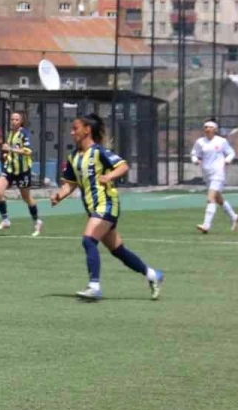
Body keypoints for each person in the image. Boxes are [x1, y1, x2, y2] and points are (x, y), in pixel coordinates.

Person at [50, 113, 164, 301]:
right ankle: (153, 275)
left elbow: (123, 166)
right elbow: (70, 183)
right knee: (118, 250)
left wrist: (109, 176)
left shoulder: (98, 152)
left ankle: (94, 286)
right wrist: (59, 196)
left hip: (107, 204)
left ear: (87, 130)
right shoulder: (74, 157)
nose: (72, 132)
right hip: (94, 209)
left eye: (75, 128)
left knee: (88, 240)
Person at [0, 111, 42, 236]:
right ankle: (5, 220)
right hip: (9, 169)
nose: (13, 121)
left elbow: (28, 151)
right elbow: (9, 149)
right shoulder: (10, 134)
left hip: (22, 171)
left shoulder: (24, 133)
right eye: (12, 119)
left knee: (26, 198)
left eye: (16, 119)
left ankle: (37, 221)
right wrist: (6, 153)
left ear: (21, 121)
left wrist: (10, 149)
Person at [191, 120, 238, 234]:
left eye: (210, 127)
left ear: (215, 130)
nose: (207, 129)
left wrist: (227, 160)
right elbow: (194, 153)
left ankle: (206, 225)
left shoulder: (222, 141)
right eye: (205, 127)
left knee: (210, 198)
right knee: (218, 198)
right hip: (206, 173)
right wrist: (195, 160)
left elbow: (231, 153)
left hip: (218, 172)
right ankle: (234, 216)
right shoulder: (200, 142)